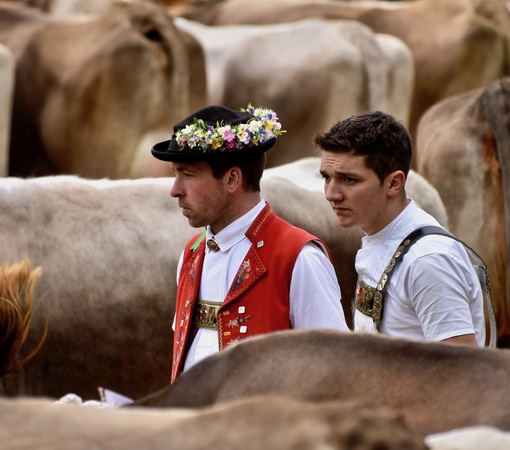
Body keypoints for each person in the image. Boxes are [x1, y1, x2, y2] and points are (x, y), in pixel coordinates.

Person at [151, 104, 348, 382]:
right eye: (175, 174)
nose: (175, 190)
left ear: (232, 179)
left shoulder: (299, 258)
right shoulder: (191, 254)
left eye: (188, 175)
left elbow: (335, 369)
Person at [314, 110, 487, 347]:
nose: (331, 194)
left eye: (349, 180)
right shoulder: (380, 234)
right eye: (326, 177)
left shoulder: (427, 260)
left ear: (393, 183)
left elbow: (460, 368)